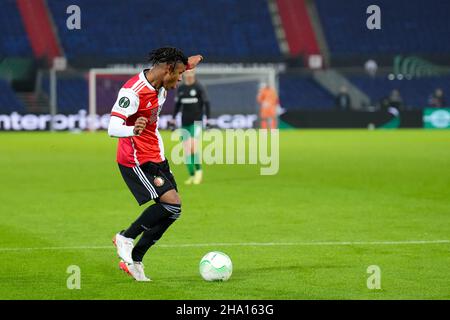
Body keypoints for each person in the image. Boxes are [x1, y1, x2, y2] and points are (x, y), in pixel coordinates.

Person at [107, 47, 203, 281]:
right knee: (171, 203)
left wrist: (189, 64)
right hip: (136, 158)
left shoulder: (162, 79)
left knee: (173, 211)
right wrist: (133, 129)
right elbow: (112, 127)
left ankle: (135, 260)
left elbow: (179, 65)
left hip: (156, 154)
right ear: (168, 69)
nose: (180, 80)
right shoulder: (133, 92)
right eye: (179, 74)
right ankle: (126, 237)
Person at [170, 70, 210, 185]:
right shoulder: (181, 88)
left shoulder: (199, 87)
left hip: (196, 122)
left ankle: (199, 171)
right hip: (184, 123)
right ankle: (192, 175)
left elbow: (206, 103)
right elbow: (177, 105)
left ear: (194, 73)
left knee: (193, 147)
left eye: (190, 72)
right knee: (187, 150)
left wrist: (208, 118)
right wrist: (173, 118)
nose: (188, 74)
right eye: (186, 72)